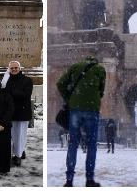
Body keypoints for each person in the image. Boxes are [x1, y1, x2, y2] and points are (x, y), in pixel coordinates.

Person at [57, 55, 106, 187]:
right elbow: (101, 90)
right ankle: (89, 180)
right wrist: (94, 98)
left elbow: (60, 83)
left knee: (73, 144)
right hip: (92, 109)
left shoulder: (75, 67)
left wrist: (69, 98)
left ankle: (69, 180)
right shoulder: (100, 69)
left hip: (75, 110)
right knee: (91, 145)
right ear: (95, 61)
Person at [1, 60, 33, 166]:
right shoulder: (6, 80)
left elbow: (25, 95)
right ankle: (15, 152)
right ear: (9, 69)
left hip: (21, 112)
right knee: (10, 135)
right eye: (12, 68)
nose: (14, 69)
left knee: (19, 135)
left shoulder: (27, 80)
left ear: (19, 68)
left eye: (16, 68)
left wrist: (10, 91)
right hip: (9, 112)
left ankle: (18, 155)